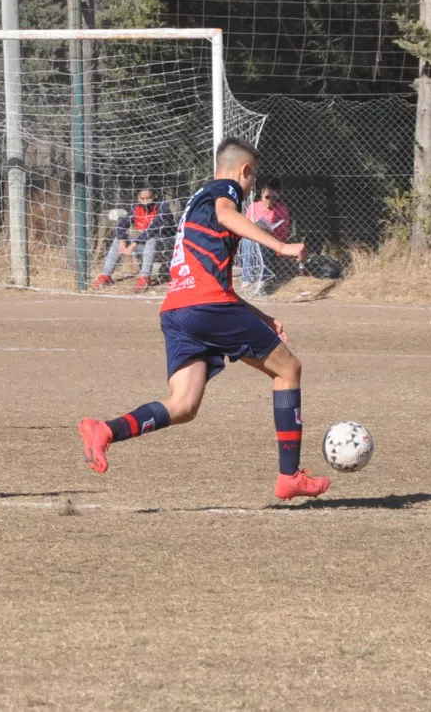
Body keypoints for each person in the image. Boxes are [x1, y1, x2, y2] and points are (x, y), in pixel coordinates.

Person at [77, 138, 330, 501]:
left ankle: (105, 431)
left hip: (179, 309)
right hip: (206, 307)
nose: (249, 187)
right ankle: (290, 476)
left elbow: (214, 282)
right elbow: (228, 216)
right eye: (252, 178)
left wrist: (261, 316)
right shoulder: (224, 190)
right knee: (288, 370)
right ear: (244, 172)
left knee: (183, 405)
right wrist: (281, 246)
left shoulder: (196, 203)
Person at [92, 188, 174, 292]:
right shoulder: (136, 208)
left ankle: (145, 278)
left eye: (148, 198)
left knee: (151, 239)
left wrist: (133, 244)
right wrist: (122, 240)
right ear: (138, 199)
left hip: (166, 247)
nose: (146, 201)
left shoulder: (162, 206)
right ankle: (106, 276)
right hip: (146, 247)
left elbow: (153, 229)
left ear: (154, 197)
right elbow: (121, 226)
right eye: (143, 198)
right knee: (119, 237)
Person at [239, 178, 291, 295]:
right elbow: (246, 225)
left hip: (271, 240)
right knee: (248, 240)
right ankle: (247, 278)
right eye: (267, 197)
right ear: (262, 195)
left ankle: (264, 277)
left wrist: (270, 232)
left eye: (274, 197)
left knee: (257, 241)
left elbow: (284, 232)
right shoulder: (253, 207)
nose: (270, 200)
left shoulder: (281, 209)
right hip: (254, 237)